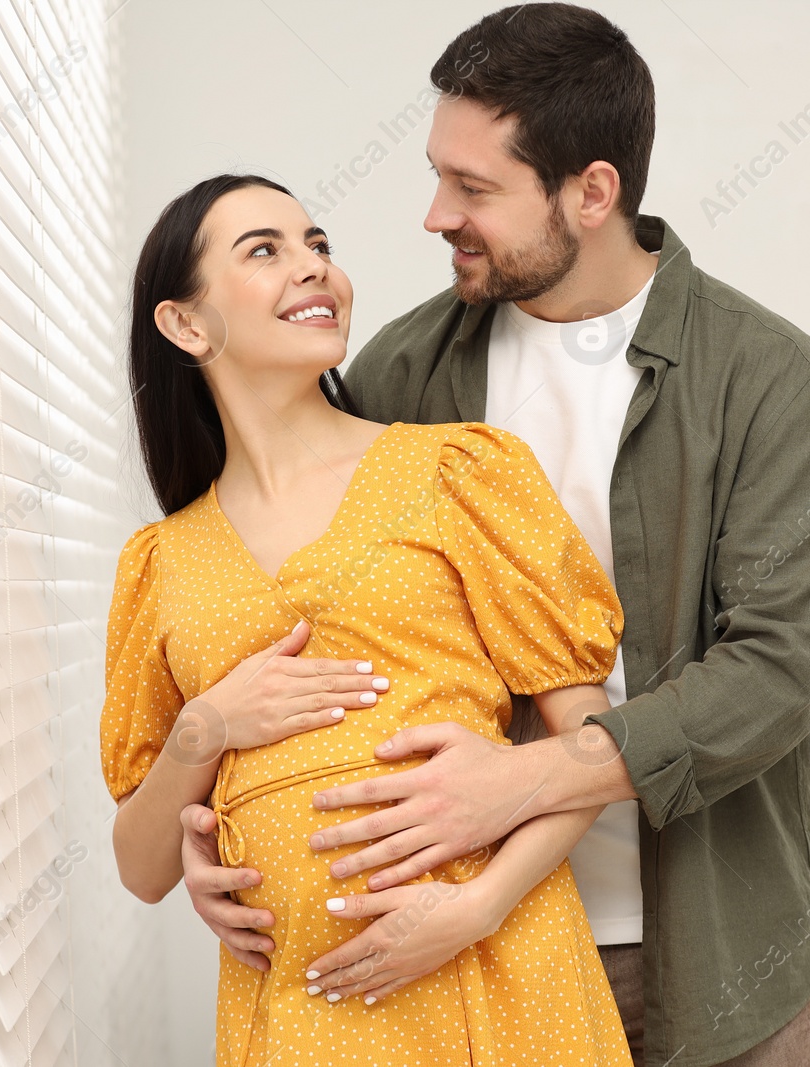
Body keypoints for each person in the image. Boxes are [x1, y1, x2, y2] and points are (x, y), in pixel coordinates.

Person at [179, 6, 810, 1065]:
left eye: (474, 189)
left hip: (721, 961)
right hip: (459, 957)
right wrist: (215, 818)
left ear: (591, 192)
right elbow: (316, 632)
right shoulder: (400, 376)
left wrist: (526, 778)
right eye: (437, 174)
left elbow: (771, 675)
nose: (433, 214)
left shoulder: (768, 378)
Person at [102, 171, 637, 1066]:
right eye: (264, 250)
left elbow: (591, 747)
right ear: (186, 324)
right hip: (302, 1018)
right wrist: (207, 728)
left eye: (318, 244)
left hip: (495, 981)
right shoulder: (161, 565)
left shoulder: (456, 473)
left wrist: (476, 906)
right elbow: (142, 866)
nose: (313, 267)